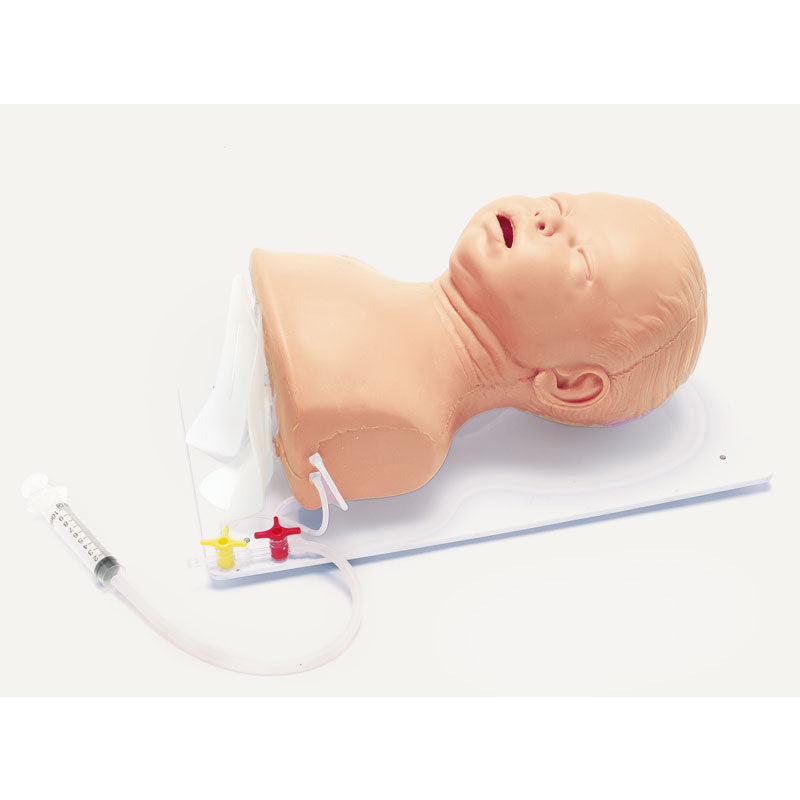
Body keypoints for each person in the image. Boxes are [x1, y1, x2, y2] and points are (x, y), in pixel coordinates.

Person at [251, 193, 707, 509]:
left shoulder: (409, 433)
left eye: (580, 259)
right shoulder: (345, 273)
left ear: (570, 385)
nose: (546, 220)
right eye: (558, 203)